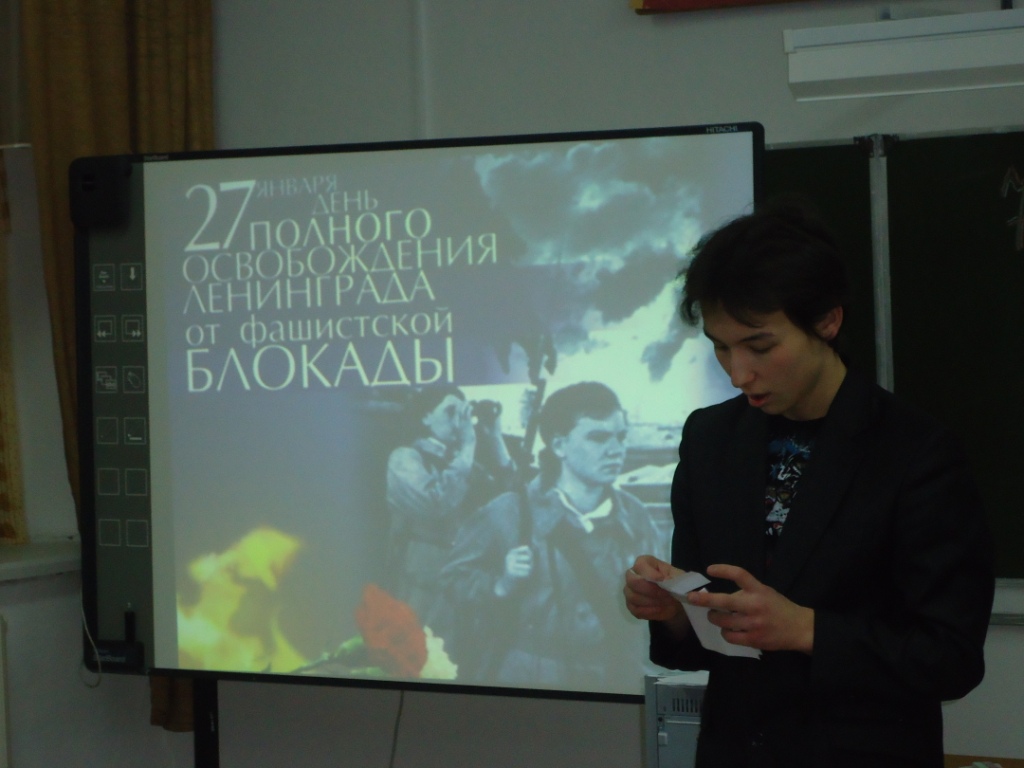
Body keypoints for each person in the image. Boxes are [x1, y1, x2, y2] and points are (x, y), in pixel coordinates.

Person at [623, 204, 995, 767]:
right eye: (721, 346)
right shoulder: (710, 438)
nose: (738, 373)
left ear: (827, 321)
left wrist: (806, 630)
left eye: (760, 347)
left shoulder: (915, 451)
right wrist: (673, 610)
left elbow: (950, 657)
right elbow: (715, 627)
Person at [442, 381, 660, 691]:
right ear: (559, 445)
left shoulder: (635, 517)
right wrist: (500, 584)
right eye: (598, 437)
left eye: (621, 437)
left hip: (613, 679)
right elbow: (452, 583)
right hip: (531, 682)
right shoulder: (509, 513)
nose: (615, 450)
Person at [385, 384, 513, 632]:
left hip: (465, 584)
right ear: (426, 417)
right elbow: (435, 505)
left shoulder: (465, 463)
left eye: (463, 414)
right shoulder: (405, 458)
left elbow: (513, 500)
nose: (458, 422)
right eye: (450, 412)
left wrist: (494, 436)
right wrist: (468, 446)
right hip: (424, 589)